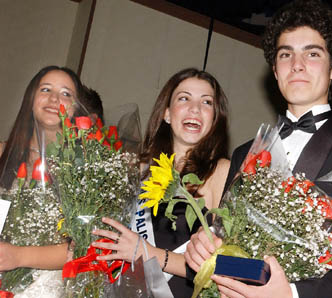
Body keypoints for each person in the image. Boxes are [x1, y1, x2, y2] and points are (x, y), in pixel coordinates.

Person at [184, 1, 332, 297]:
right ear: (275, 70)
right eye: (285, 54)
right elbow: (227, 243)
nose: (297, 64)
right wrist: (204, 248)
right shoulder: (244, 153)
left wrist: (290, 294)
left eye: (312, 54)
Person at [92, 67, 230, 297]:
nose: (195, 109)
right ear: (166, 113)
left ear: (215, 118)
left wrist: (149, 254)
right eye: (184, 98)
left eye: (207, 102)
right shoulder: (138, 169)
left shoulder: (221, 171)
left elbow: (233, 266)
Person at [0, 66, 88, 295]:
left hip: (45, 289)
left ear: (77, 108)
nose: (53, 98)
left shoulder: (86, 171)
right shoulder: (2, 154)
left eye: (66, 93)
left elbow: (81, 245)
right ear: (31, 99)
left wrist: (17, 256)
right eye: (45, 89)